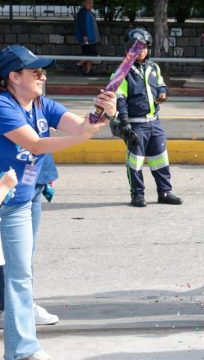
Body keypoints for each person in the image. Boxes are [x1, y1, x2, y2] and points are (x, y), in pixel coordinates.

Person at [0, 44, 116, 360]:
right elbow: (35, 143)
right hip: (3, 201)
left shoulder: (43, 105)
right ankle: (21, 349)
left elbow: (80, 125)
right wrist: (85, 135)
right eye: (34, 71)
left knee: (19, 272)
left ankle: (20, 332)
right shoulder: (2, 106)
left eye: (43, 70)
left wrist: (103, 112)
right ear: (13, 76)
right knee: (17, 275)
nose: (43, 75)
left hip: (23, 199)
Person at [110, 28, 183, 208]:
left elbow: (160, 84)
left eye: (145, 48)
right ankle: (137, 194)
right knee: (135, 161)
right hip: (136, 124)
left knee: (160, 157)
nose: (142, 51)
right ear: (129, 49)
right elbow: (120, 99)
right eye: (137, 48)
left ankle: (164, 191)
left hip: (154, 122)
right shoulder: (122, 72)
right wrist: (125, 123)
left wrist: (162, 93)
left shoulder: (153, 67)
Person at [0, 154, 60, 327]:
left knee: (25, 252)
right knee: (8, 253)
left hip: (33, 176)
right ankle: (8, 308)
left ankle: (23, 305)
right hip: (9, 178)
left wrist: (47, 172)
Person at [73, 0, 100, 75]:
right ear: (84, 4)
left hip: (92, 37)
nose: (91, 5)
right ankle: (78, 64)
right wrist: (84, 35)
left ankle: (88, 70)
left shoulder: (89, 13)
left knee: (89, 53)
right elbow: (82, 25)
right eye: (89, 3)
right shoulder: (83, 13)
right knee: (90, 53)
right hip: (87, 37)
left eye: (92, 3)